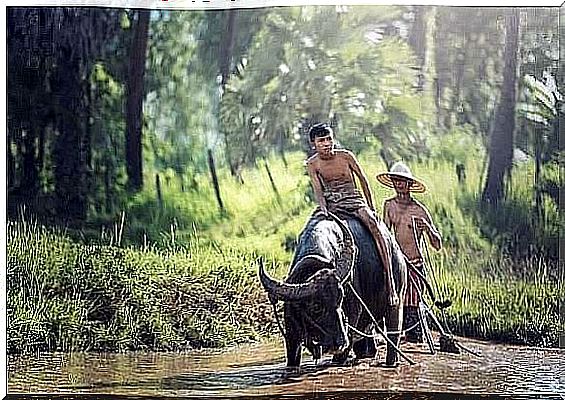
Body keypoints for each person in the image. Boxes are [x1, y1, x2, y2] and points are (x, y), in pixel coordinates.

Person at [305, 123, 399, 306]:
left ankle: (391, 283)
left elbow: (363, 180)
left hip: (353, 200)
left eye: (329, 139)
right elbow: (318, 190)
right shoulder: (312, 164)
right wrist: (323, 209)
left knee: (375, 227)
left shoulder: (346, 156)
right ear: (313, 144)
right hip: (333, 203)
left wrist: (371, 207)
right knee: (310, 230)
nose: (326, 144)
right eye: (321, 141)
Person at [376, 161, 442, 343]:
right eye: (396, 181)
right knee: (392, 302)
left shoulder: (419, 210)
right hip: (396, 264)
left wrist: (428, 228)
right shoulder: (389, 205)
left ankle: (413, 339)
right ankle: (391, 338)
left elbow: (437, 244)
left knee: (412, 308)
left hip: (415, 265)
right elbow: (385, 235)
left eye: (403, 181)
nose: (399, 185)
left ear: (410, 184)